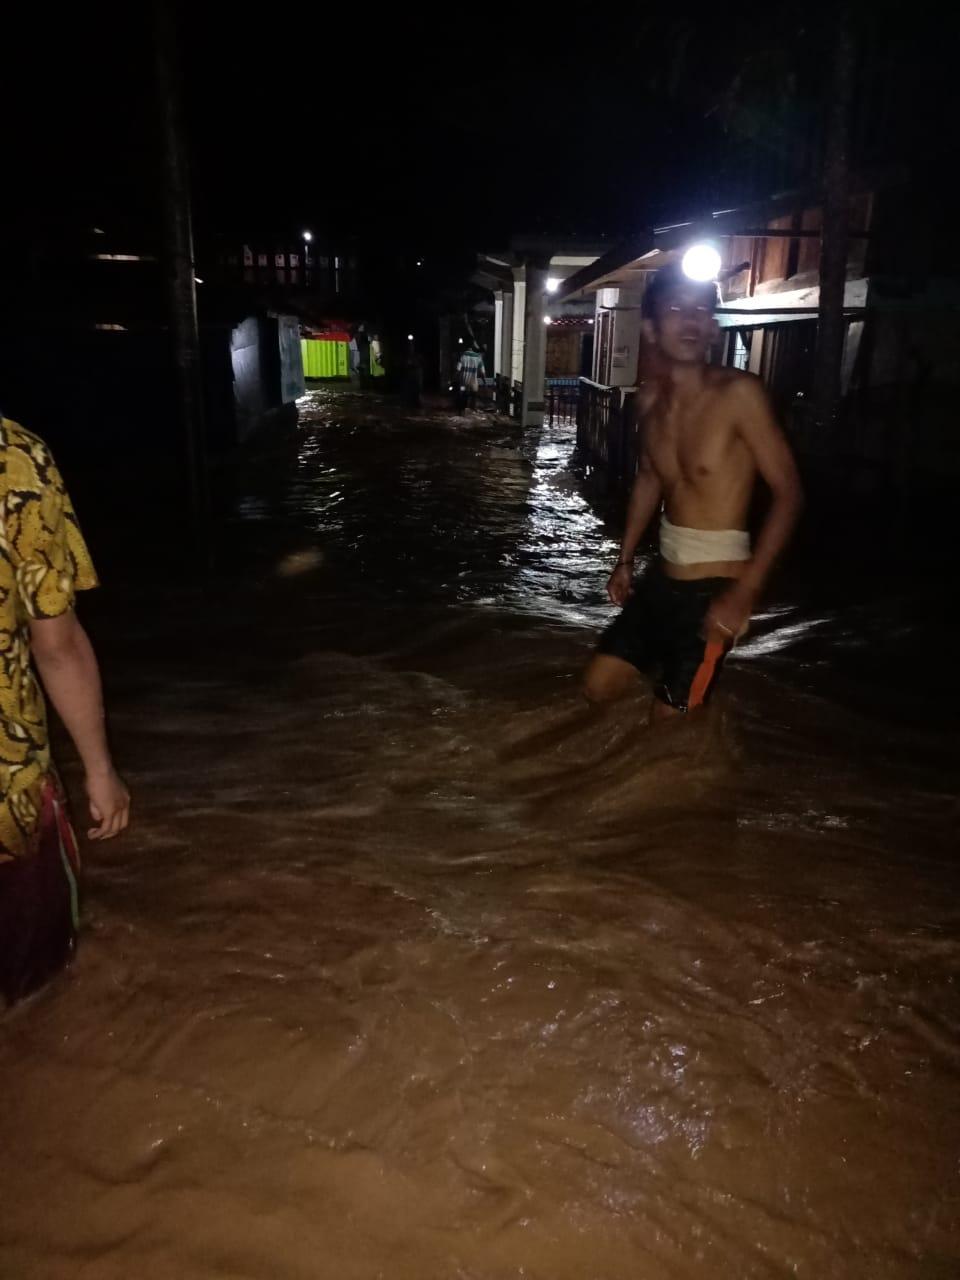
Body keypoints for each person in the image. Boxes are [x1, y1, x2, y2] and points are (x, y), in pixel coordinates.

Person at [583, 263, 803, 720]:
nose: (690, 319)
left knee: (672, 731)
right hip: (661, 580)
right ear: (650, 327)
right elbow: (648, 478)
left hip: (716, 589)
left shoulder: (740, 394)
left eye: (701, 309)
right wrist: (623, 562)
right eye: (676, 308)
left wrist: (745, 592)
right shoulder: (646, 401)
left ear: (712, 326)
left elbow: (789, 493)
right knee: (598, 687)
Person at [0, 415, 129, 1005]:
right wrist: (99, 771)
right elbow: (57, 644)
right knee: (33, 999)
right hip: (9, 792)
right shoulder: (15, 458)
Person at [456, 341, 486, 413]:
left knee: (462, 394)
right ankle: (473, 408)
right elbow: (482, 372)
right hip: (473, 382)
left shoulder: (462, 356)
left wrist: (455, 378)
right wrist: (484, 381)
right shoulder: (478, 357)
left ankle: (462, 410)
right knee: (474, 395)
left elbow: (458, 370)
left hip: (463, 382)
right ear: (473, 348)